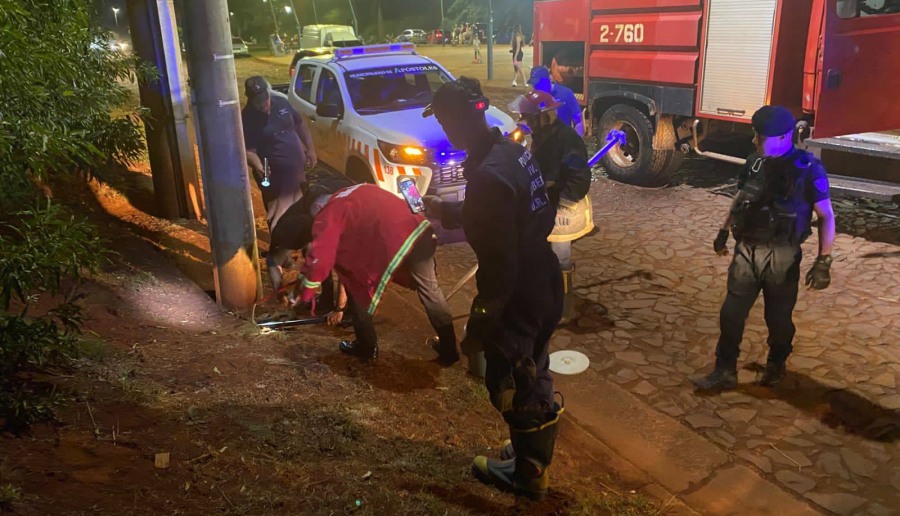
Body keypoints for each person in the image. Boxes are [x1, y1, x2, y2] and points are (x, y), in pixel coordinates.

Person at [422, 77, 564, 501]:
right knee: (535, 367)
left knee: (512, 382)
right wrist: (450, 211)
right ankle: (528, 450)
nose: (444, 130)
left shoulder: (487, 176)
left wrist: (478, 331)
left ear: (454, 121)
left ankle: (529, 473)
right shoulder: (513, 151)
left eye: (443, 121)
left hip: (517, 296)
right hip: (544, 278)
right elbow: (511, 213)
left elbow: (500, 268)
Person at [693, 105, 836, 391]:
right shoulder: (754, 163)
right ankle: (724, 370)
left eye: (760, 136)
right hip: (747, 250)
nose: (754, 140)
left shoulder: (808, 168)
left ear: (783, 137)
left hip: (782, 256)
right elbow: (742, 198)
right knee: (731, 314)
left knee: (778, 320)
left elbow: (826, 216)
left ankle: (776, 363)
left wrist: (824, 261)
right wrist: (723, 230)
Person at [292, 183, 459, 365]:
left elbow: (321, 258)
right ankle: (449, 349)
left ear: (317, 206)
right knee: (431, 292)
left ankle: (366, 346)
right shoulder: (354, 189)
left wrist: (303, 291)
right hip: (420, 231)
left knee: (359, 287)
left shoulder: (329, 213)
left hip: (395, 241)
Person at [509, 90, 592, 324]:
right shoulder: (541, 135)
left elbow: (579, 177)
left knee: (561, 258)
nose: (526, 122)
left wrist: (561, 202)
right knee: (543, 256)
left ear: (542, 117)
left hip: (565, 206)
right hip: (548, 204)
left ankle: (564, 308)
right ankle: (547, 300)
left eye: (529, 118)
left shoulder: (567, 138)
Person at [241, 76, 317, 290]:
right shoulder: (247, 118)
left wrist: (310, 149)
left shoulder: (281, 102)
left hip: (298, 173)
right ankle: (281, 259)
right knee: (279, 215)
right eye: (257, 102)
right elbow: (248, 150)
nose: (263, 105)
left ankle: (305, 250)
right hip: (274, 177)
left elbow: (300, 125)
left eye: (264, 99)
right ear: (250, 100)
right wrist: (258, 165)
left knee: (303, 210)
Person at [527, 65, 584, 137]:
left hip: (563, 140)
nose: (535, 88)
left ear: (547, 81)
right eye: (534, 85)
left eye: (538, 84)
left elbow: (578, 122)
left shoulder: (565, 94)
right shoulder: (535, 98)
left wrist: (577, 141)